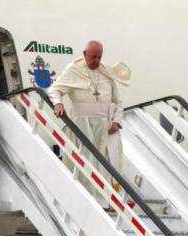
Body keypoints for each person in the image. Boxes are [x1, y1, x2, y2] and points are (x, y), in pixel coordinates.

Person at [48, 40, 131, 195]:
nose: (97, 61)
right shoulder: (73, 70)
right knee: (85, 160)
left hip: (105, 126)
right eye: (93, 57)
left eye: (99, 57)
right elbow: (54, 90)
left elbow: (118, 102)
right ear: (85, 54)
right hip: (82, 124)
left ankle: (106, 199)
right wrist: (58, 104)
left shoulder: (106, 72)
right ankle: (84, 196)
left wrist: (117, 122)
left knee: (107, 162)